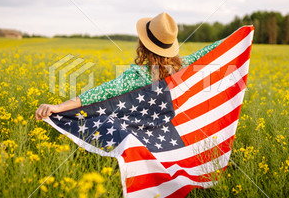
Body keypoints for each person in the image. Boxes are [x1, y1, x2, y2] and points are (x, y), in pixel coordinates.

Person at [35, 12, 224, 120]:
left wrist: (59, 107)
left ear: (143, 44)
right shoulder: (187, 65)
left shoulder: (137, 76)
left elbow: (99, 93)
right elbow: (213, 49)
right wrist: (244, 33)